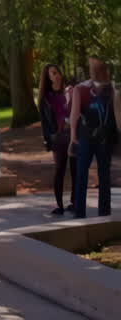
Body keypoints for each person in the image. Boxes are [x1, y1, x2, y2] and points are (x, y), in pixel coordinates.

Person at [69, 56, 118, 218]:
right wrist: (73, 137)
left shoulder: (112, 90)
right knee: (86, 174)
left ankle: (102, 212)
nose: (93, 70)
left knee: (102, 175)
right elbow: (75, 114)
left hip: (104, 138)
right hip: (87, 136)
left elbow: (117, 117)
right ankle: (81, 212)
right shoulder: (81, 89)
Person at [39, 64, 74, 215]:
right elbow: (45, 123)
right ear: (48, 78)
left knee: (75, 170)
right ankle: (59, 205)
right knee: (60, 170)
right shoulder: (46, 98)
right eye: (53, 73)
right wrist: (48, 141)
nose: (56, 75)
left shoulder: (69, 92)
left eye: (57, 72)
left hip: (73, 136)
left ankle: (75, 202)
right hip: (58, 138)